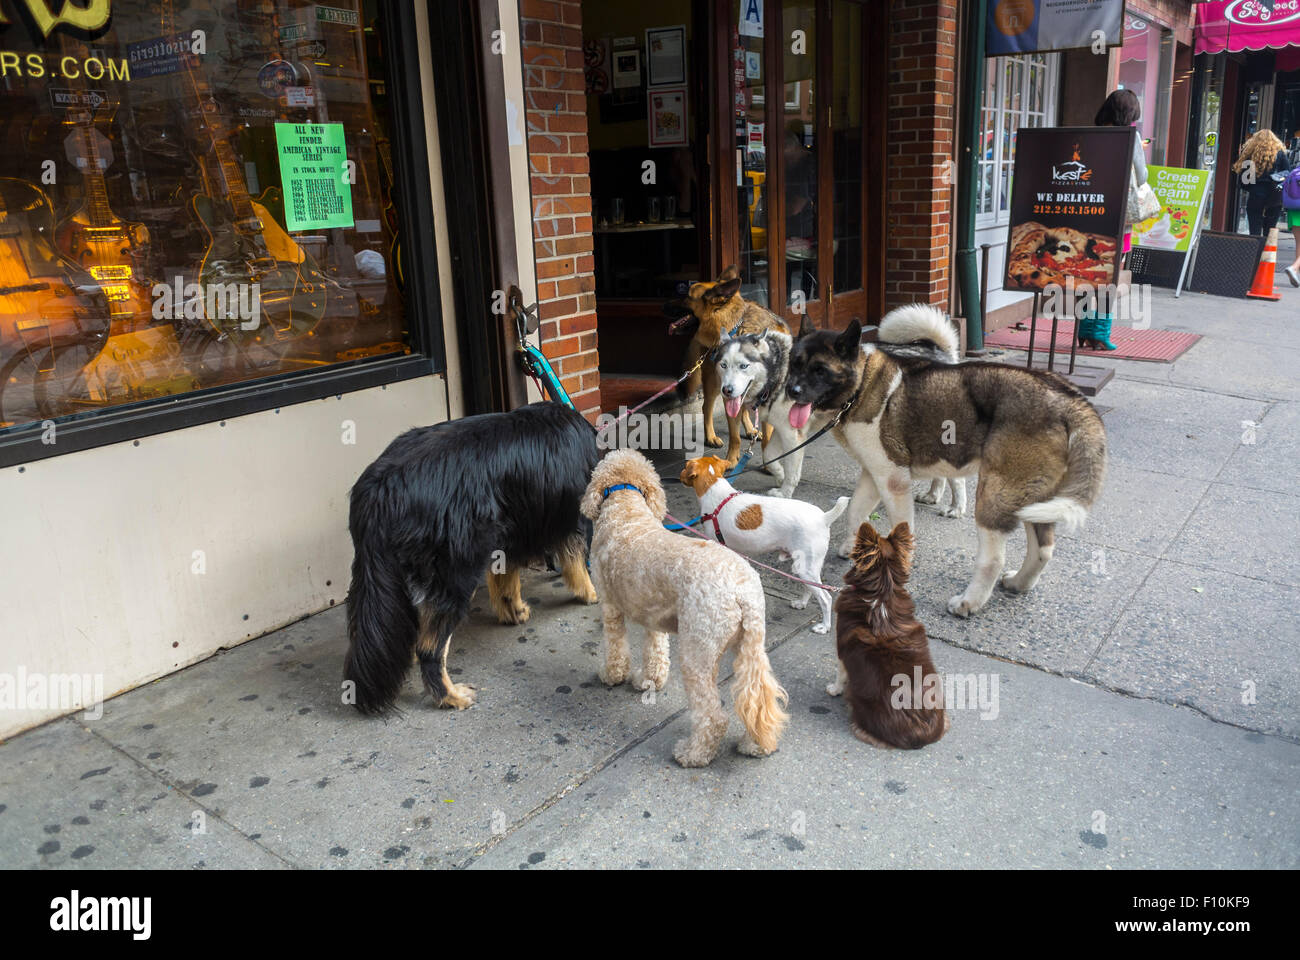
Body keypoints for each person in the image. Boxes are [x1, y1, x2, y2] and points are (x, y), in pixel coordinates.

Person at [1077, 90, 1144, 351]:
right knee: (1111, 274)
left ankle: (1084, 329)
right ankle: (1100, 333)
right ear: (1129, 114)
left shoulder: (1090, 136)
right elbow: (1142, 174)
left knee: (1087, 270)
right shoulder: (1130, 137)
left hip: (1089, 212)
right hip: (1118, 216)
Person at [1231, 128, 1290, 238]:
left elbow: (1245, 182)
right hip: (1275, 195)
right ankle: (1267, 252)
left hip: (1256, 194)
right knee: (1270, 230)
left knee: (1254, 228)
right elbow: (1287, 173)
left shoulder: (1251, 154)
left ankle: (1255, 251)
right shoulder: (1281, 154)